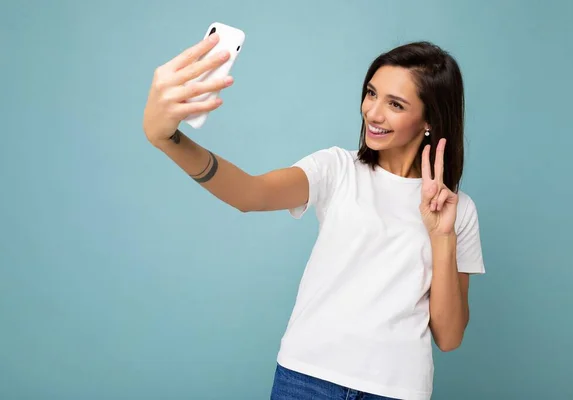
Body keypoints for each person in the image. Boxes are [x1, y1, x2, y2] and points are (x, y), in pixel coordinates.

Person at [143, 32, 485, 400]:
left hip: (397, 391)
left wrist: (441, 236)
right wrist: (168, 140)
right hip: (306, 379)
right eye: (371, 93)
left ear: (429, 118)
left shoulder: (456, 209)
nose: (372, 112)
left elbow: (449, 338)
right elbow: (249, 193)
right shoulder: (337, 168)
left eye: (395, 104)